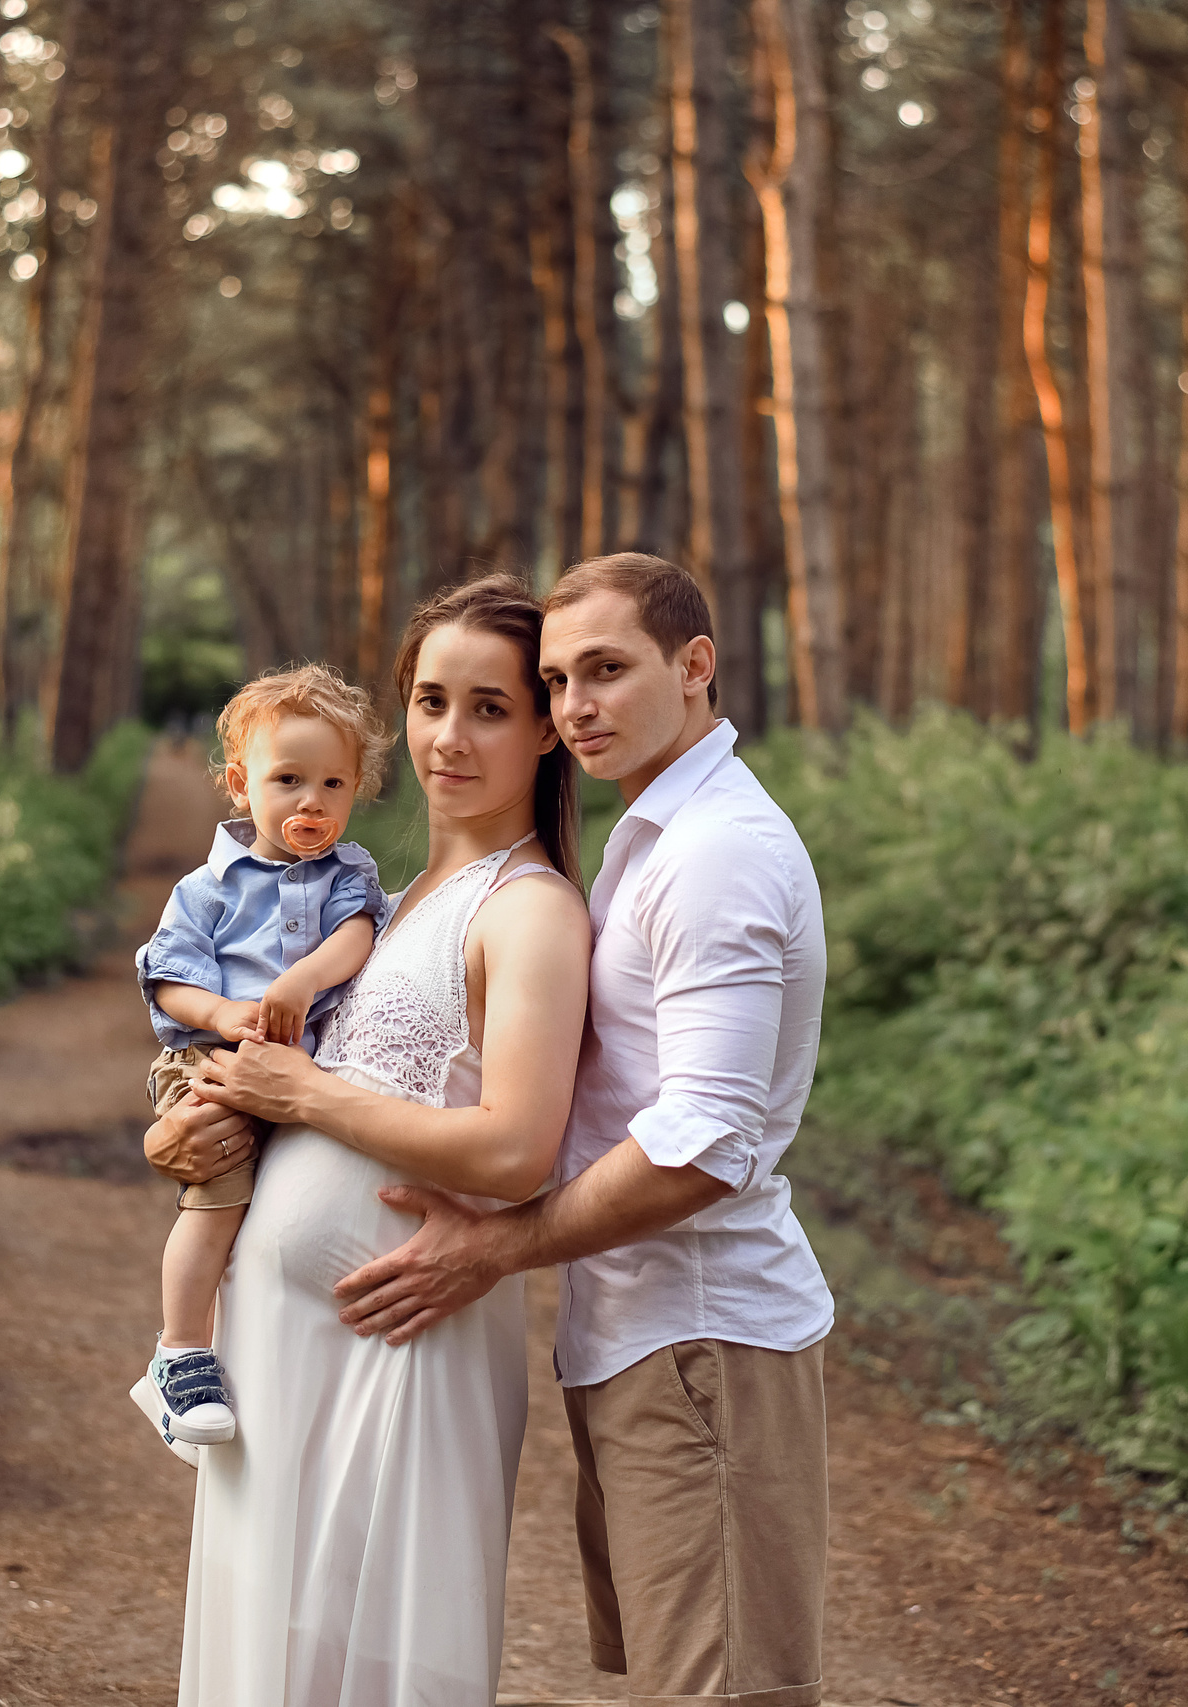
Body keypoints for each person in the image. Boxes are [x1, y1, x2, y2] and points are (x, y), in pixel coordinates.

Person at [334, 552, 836, 1707]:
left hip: (702, 1343)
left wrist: (499, 1246)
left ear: (695, 667)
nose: (576, 708)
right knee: (681, 1678)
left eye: (605, 671)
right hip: (643, 1339)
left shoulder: (715, 855)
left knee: (722, 1690)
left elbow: (706, 1140)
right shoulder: (650, 839)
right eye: (558, 681)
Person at [146, 573, 594, 1707]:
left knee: (371, 1671)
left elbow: (515, 1152)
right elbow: (292, 1066)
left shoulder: (528, 909)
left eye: (490, 707)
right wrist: (201, 1129)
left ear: (546, 728)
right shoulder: (396, 899)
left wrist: (301, 1099)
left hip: (400, 1345)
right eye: (430, 700)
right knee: (278, 1663)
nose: (450, 735)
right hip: (289, 1349)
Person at [127, 665, 393, 1460]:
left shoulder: (352, 873)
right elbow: (169, 976)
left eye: (332, 783)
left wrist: (305, 977)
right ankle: (180, 1352)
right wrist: (221, 1013)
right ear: (242, 785)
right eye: (289, 780)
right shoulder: (209, 888)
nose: (311, 802)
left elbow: (358, 936)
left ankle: (259, 1349)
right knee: (219, 1192)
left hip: (305, 1068)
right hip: (214, 1061)